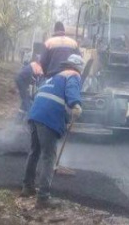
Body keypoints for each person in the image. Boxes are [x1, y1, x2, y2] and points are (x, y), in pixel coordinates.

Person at [21, 54, 84, 209]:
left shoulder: (55, 77)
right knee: (49, 157)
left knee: (34, 151)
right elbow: (71, 93)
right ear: (78, 67)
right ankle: (43, 198)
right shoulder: (73, 75)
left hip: (35, 114)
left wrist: (66, 121)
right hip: (47, 117)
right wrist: (76, 105)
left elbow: (47, 98)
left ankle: (27, 187)